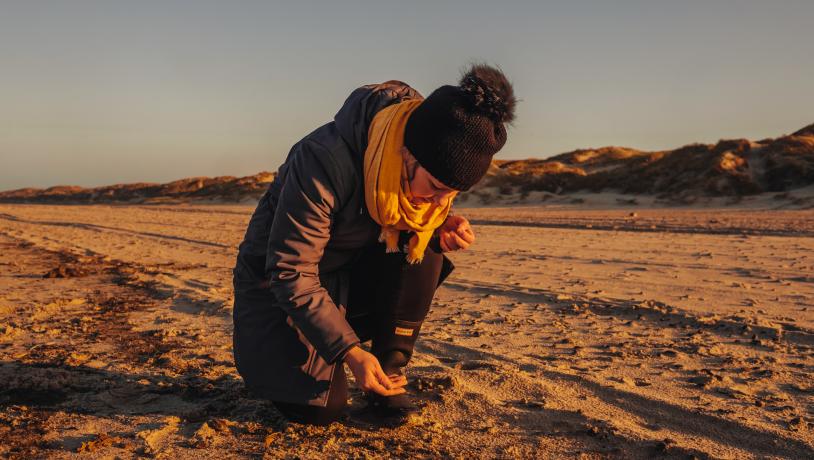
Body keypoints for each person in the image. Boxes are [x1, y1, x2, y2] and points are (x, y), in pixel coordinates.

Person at [232, 64, 516, 426]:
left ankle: (388, 369)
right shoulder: (322, 159)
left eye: (451, 194)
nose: (438, 201)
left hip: (344, 280)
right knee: (321, 410)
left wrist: (440, 224)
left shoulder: (423, 165)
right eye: (435, 187)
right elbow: (290, 271)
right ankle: (320, 361)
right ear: (407, 154)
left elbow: (411, 215)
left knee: (424, 240)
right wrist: (350, 352)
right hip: (277, 290)